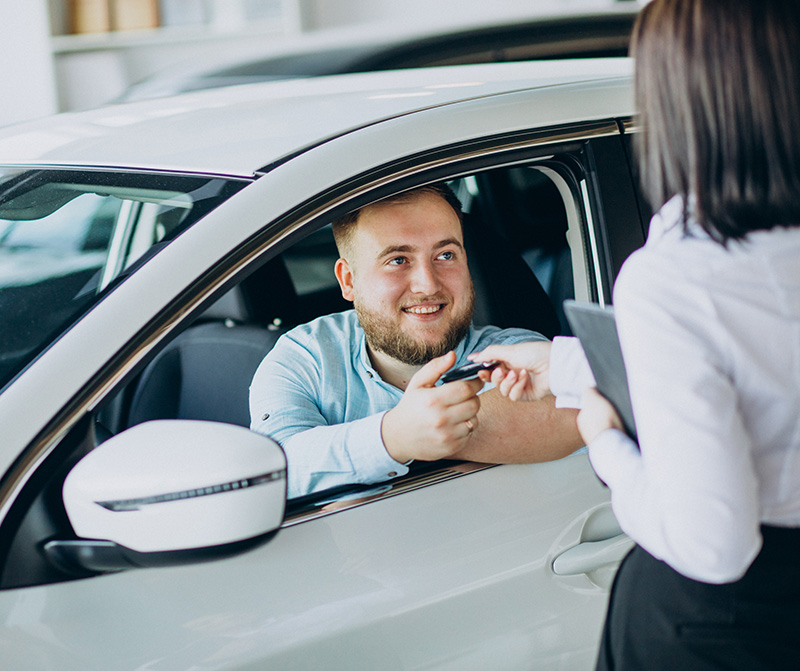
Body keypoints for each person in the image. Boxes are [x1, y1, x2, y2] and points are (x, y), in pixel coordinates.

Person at [472, 1, 800, 668]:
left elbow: (715, 544)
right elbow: (769, 366)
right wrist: (566, 365)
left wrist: (605, 441)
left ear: (680, 100)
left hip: (724, 629)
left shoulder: (678, 275)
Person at [250, 183, 582, 498]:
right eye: (398, 260)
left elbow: (572, 411)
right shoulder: (304, 358)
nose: (427, 285)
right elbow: (272, 470)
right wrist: (392, 437)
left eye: (446, 255)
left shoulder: (513, 354)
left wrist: (429, 432)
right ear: (348, 280)